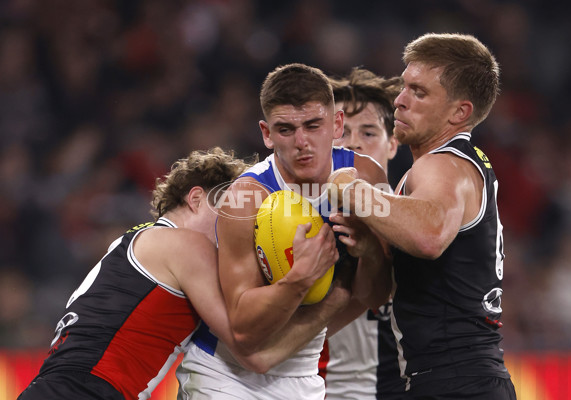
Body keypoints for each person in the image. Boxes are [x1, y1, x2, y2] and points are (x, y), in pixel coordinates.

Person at [18, 148, 350, 400]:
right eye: (230, 208)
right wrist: (314, 285)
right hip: (86, 390)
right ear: (195, 198)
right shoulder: (187, 245)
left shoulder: (141, 241)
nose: (240, 225)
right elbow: (252, 350)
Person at [176, 63, 392, 400]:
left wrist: (371, 253)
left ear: (336, 124)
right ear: (266, 133)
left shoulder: (365, 177)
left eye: (312, 125)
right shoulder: (246, 199)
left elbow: (378, 296)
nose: (302, 142)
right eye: (286, 129)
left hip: (302, 371)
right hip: (225, 375)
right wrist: (301, 278)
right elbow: (245, 330)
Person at [328, 33, 517, 399]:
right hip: (451, 379)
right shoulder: (449, 169)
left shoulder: (442, 165)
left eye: (419, 92)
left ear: (459, 112)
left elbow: (429, 236)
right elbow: (378, 295)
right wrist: (369, 249)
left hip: (456, 381)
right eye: (403, 87)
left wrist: (351, 189)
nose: (399, 101)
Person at [318, 67, 409, 399]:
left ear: (393, 144)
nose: (354, 142)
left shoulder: (415, 221)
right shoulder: (291, 216)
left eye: (369, 132)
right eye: (343, 131)